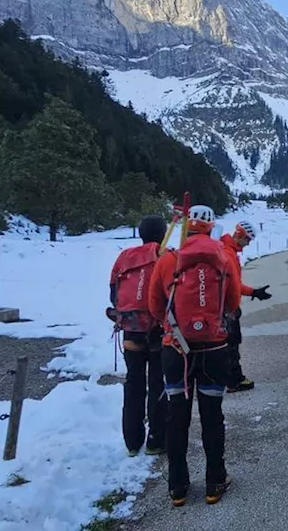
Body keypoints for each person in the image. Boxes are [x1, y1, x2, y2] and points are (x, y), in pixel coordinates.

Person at [147, 204, 239, 507]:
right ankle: (215, 481)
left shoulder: (169, 259)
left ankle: (178, 487)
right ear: (211, 227)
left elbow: (154, 305)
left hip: (176, 350)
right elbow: (232, 303)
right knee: (212, 416)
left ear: (187, 226)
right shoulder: (223, 258)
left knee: (177, 417)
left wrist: (172, 326)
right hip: (214, 348)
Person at [106, 214, 168, 457]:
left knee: (133, 383)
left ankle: (132, 442)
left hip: (131, 328)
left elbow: (114, 293)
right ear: (163, 233)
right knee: (157, 381)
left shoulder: (124, 257)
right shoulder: (166, 255)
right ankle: (156, 439)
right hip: (158, 330)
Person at [220, 220, 272, 393]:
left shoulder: (226, 249)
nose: (248, 243)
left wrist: (253, 292)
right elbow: (234, 285)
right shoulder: (228, 254)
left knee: (227, 344)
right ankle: (234, 381)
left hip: (223, 307)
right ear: (240, 235)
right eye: (248, 239)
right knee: (232, 344)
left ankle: (228, 378)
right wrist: (253, 293)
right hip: (228, 309)